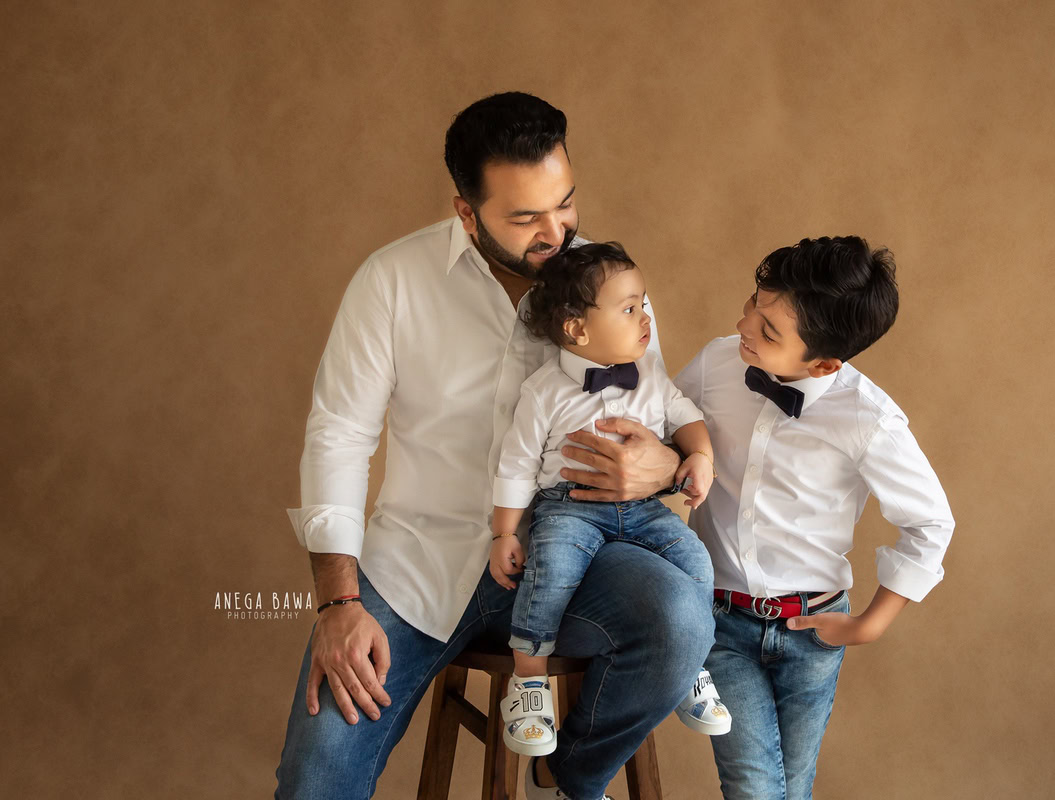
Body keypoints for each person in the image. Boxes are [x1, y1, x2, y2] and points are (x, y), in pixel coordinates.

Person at [275, 92, 714, 800]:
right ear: (465, 212)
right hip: (418, 567)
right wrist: (338, 604)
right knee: (313, 781)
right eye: (526, 217)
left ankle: (571, 771)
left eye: (564, 203)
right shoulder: (390, 282)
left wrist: (664, 467)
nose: (558, 231)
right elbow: (338, 436)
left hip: (577, 558)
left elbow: (654, 410)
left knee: (680, 616)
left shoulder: (609, 285)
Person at [674, 236, 955, 799]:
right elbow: (667, 426)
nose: (745, 322)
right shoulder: (716, 363)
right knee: (755, 786)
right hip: (722, 622)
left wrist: (870, 624)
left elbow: (930, 523)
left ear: (825, 362)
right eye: (755, 303)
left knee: (793, 788)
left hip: (813, 631)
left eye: (770, 330)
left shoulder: (867, 418)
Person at [488, 241, 732, 760]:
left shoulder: (652, 379)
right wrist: (505, 532)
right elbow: (516, 465)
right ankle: (529, 683)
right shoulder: (544, 390)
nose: (645, 317)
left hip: (644, 510)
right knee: (550, 569)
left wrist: (700, 458)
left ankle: (691, 664)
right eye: (629, 308)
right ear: (577, 329)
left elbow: (687, 419)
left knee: (694, 559)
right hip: (569, 507)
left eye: (643, 303)